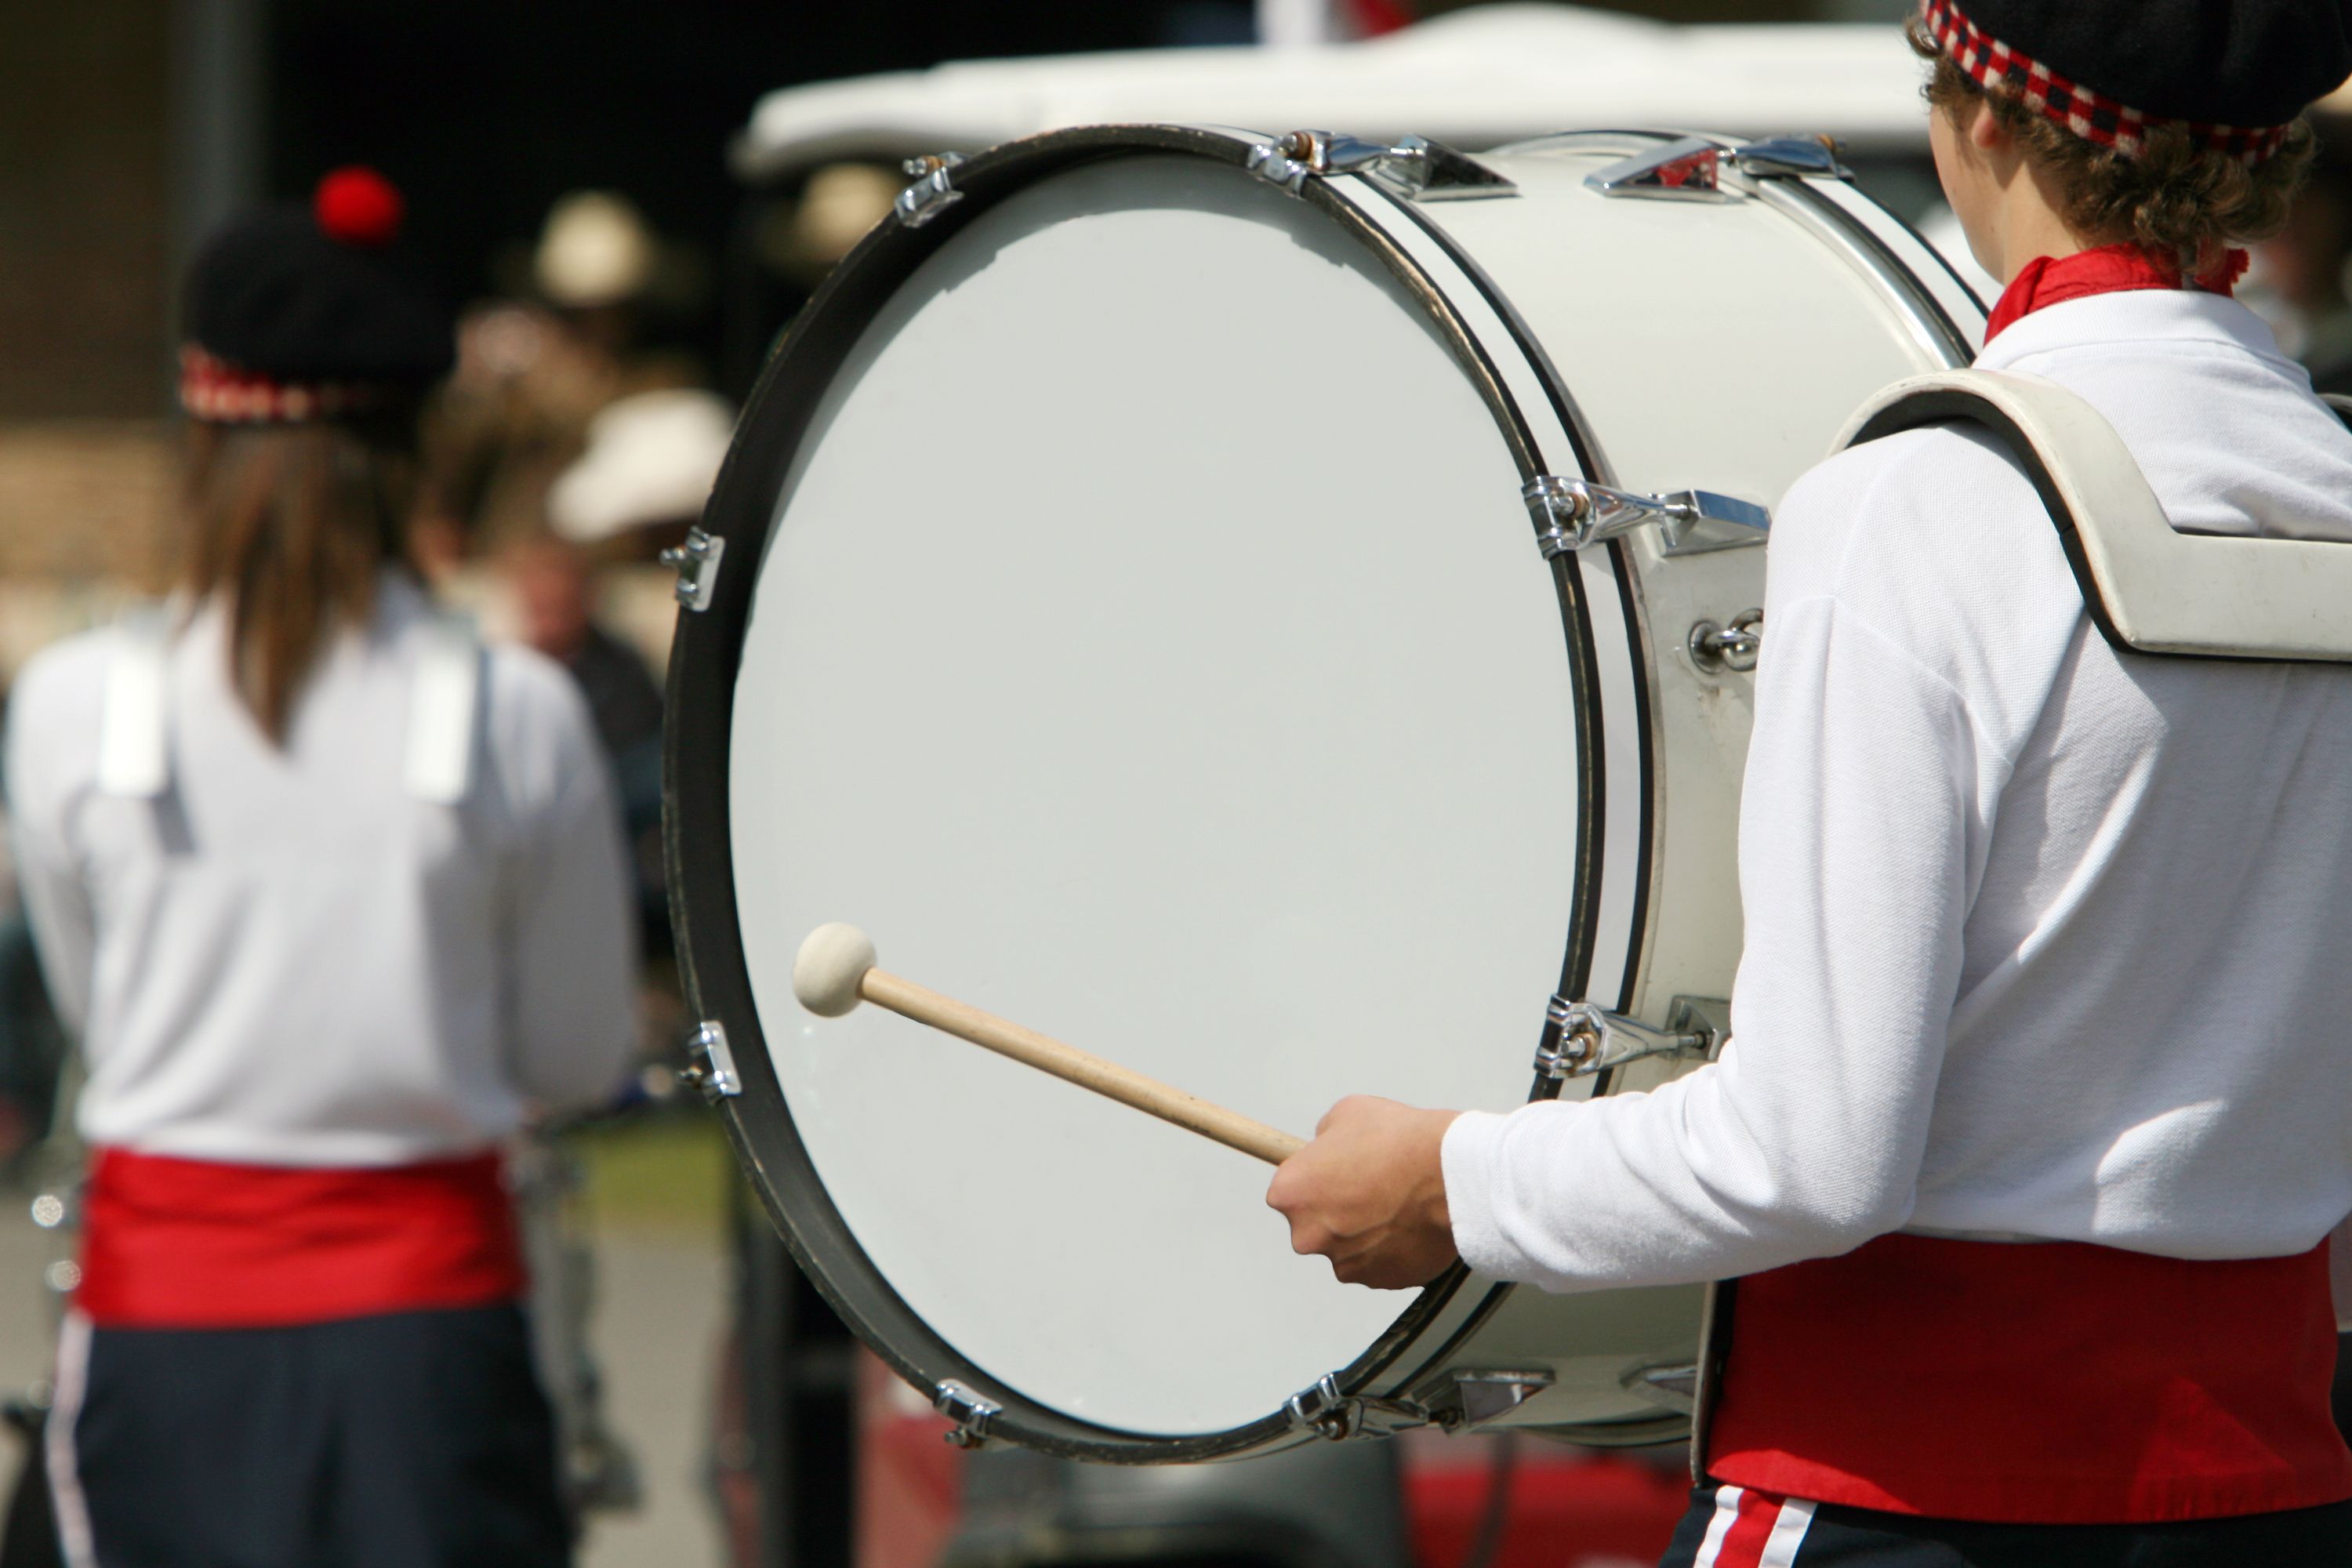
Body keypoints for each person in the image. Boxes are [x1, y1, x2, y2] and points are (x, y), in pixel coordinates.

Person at [1268, 2, 2352, 1563]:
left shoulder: (1922, 502)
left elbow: (1809, 1156)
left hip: (1911, 1495)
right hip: (2276, 1501)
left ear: (1983, 122)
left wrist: (1453, 1180)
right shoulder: (2333, 488)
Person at [4, 167, 637, 1568]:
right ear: (408, 447)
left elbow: (101, 1019)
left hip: (162, 1347)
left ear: (200, 422)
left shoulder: (66, 703)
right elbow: (580, 1056)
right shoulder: (516, 710)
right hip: (431, 1347)